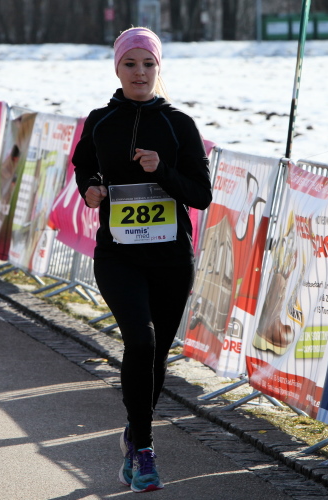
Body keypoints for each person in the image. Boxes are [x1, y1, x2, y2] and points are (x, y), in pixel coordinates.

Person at [72, 27, 212, 492]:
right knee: (141, 340)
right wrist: (91, 189)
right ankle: (146, 451)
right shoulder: (100, 121)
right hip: (119, 257)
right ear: (117, 68)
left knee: (157, 355)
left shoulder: (179, 124)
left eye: (148, 64)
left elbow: (201, 194)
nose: (139, 73)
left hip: (171, 259)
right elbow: (84, 164)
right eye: (130, 64)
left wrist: (162, 170)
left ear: (158, 68)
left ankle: (135, 433)